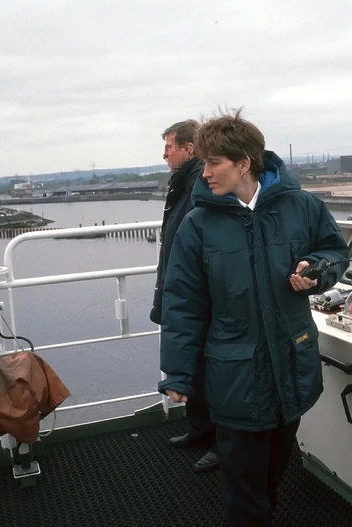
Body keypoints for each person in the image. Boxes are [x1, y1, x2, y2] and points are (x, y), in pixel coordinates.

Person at [158, 108, 349, 526]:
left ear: (244, 163)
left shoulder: (302, 207)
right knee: (244, 486)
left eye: (213, 162)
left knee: (275, 468)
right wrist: (178, 374)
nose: (204, 172)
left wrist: (316, 270)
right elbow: (183, 305)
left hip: (291, 366)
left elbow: (335, 251)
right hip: (234, 374)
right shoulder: (198, 225)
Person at [150, 119, 218, 473]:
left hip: (199, 295)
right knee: (197, 366)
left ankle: (221, 442)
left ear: (190, 149)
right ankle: (201, 430)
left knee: (211, 369)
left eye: (169, 146)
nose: (164, 154)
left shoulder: (198, 186)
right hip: (183, 288)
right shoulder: (186, 184)